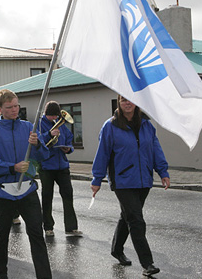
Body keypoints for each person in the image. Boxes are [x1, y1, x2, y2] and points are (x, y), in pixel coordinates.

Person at [91, 95, 170, 277]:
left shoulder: (146, 125)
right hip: (122, 180)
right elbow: (102, 153)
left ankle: (117, 249)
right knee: (136, 220)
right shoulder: (110, 126)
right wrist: (97, 179)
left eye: (131, 100)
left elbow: (155, 148)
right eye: (123, 100)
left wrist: (163, 171)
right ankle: (147, 263)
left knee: (127, 216)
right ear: (118, 102)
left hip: (143, 180)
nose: (127, 103)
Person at [0, 89, 52, 279]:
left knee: (37, 235)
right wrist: (12, 167)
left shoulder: (29, 127)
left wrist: (37, 144)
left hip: (28, 190)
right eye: (9, 107)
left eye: (16, 106)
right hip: (4, 192)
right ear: (0, 109)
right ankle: (1, 273)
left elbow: (44, 156)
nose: (14, 110)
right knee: (1, 235)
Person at [38, 101, 82, 237]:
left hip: (62, 165)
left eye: (56, 116)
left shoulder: (61, 123)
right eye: (51, 116)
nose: (54, 119)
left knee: (68, 195)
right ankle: (48, 227)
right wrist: (49, 134)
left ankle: (71, 227)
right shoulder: (39, 124)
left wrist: (69, 148)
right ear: (46, 114)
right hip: (46, 166)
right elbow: (38, 141)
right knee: (47, 197)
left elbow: (69, 138)